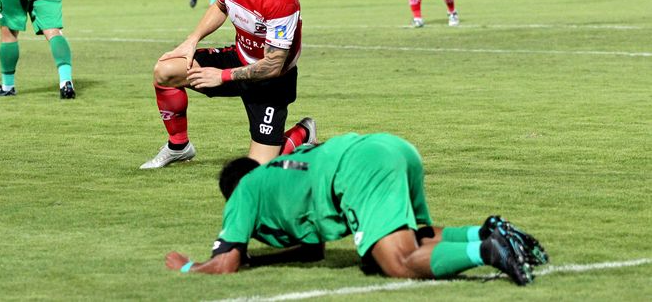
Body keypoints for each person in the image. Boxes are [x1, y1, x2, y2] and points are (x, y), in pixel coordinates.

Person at [164, 132, 549, 286]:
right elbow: (313, 250)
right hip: (388, 146)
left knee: (397, 262)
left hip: (357, 168)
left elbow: (226, 263)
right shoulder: (277, 174)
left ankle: (486, 251)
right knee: (417, 235)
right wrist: (259, 260)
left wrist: (186, 265)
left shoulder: (244, 189)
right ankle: (490, 231)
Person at [140, 0, 313, 169]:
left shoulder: (281, 1)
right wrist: (192, 39)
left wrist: (221, 76)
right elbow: (221, 6)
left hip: (271, 81)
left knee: (258, 170)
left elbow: (273, 66)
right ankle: (179, 146)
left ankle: (303, 133)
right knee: (165, 70)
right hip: (238, 58)